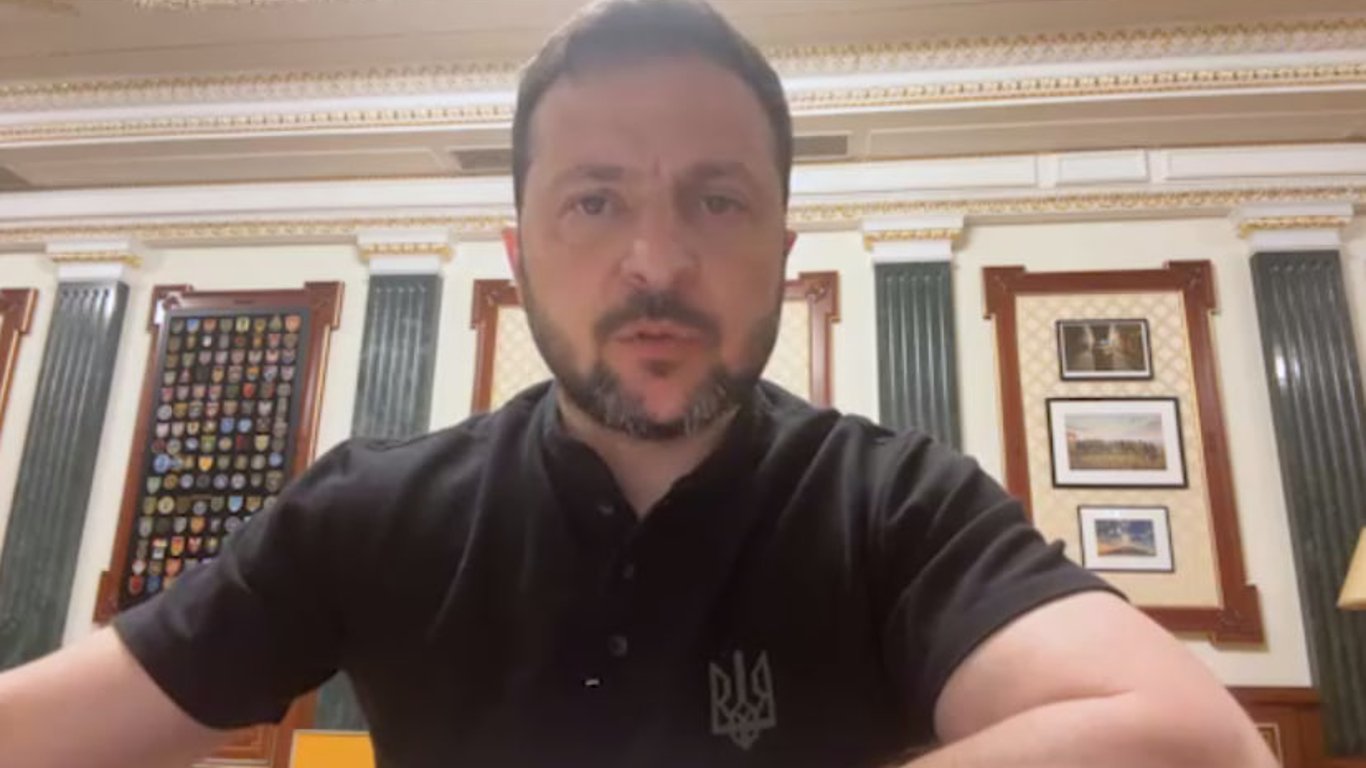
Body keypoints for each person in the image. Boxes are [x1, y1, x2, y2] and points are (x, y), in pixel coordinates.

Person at [0, 1, 1275, 766]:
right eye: (594, 201)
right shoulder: (369, 514)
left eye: (715, 202)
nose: (655, 263)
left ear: (782, 252)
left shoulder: (896, 505)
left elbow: (1199, 743)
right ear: (517, 258)